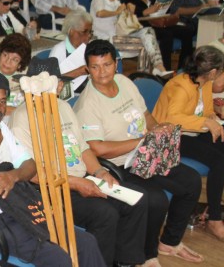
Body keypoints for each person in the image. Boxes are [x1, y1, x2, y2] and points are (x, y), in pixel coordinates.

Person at [0, 71, 105, 267]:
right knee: (59, 259)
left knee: (87, 243)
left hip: (20, 207)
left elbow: (30, 165)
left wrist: (13, 176)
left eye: (3, 102)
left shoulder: (0, 127)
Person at [74, 39, 204, 265]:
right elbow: (97, 148)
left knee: (190, 181)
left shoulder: (124, 82)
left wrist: (157, 129)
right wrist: (141, 141)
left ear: (117, 64)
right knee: (156, 200)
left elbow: (146, 115)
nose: (101, 72)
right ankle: (147, 255)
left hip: (147, 152)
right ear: (87, 69)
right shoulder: (88, 103)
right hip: (122, 163)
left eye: (106, 65)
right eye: (94, 67)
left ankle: (169, 242)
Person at [9, 80, 148, 266]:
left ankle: (124, 262)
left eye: (56, 83)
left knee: (136, 201)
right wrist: (76, 183)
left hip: (82, 177)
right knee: (105, 214)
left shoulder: (63, 106)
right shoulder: (21, 119)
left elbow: (82, 148)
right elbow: (31, 173)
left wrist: (99, 171)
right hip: (49, 188)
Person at [153, 45, 224, 244]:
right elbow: (173, 118)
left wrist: (210, 119)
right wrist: (206, 122)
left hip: (194, 130)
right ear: (213, 72)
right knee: (217, 161)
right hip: (171, 135)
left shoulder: (204, 82)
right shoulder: (180, 86)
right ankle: (214, 219)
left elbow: (206, 109)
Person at [91, 0, 171, 77]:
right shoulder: (98, 0)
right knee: (145, 46)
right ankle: (144, 76)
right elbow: (100, 13)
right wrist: (117, 12)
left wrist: (129, 11)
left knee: (148, 32)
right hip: (104, 39)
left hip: (119, 37)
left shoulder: (116, 2)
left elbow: (124, 21)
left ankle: (158, 66)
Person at [122, 0, 195, 70]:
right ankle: (165, 70)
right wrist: (146, 11)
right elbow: (132, 14)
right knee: (167, 34)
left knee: (188, 31)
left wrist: (165, 5)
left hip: (159, 22)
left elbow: (161, 7)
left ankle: (183, 68)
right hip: (144, 26)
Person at [0, 34, 31, 112]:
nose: (7, 62)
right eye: (5, 55)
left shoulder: (27, 74)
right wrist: (19, 112)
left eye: (14, 60)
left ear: (20, 65)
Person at [49, 10, 93, 94]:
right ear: (72, 31)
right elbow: (50, 82)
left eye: (90, 32)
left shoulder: (89, 48)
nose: (88, 36)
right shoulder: (59, 50)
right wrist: (79, 72)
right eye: (84, 32)